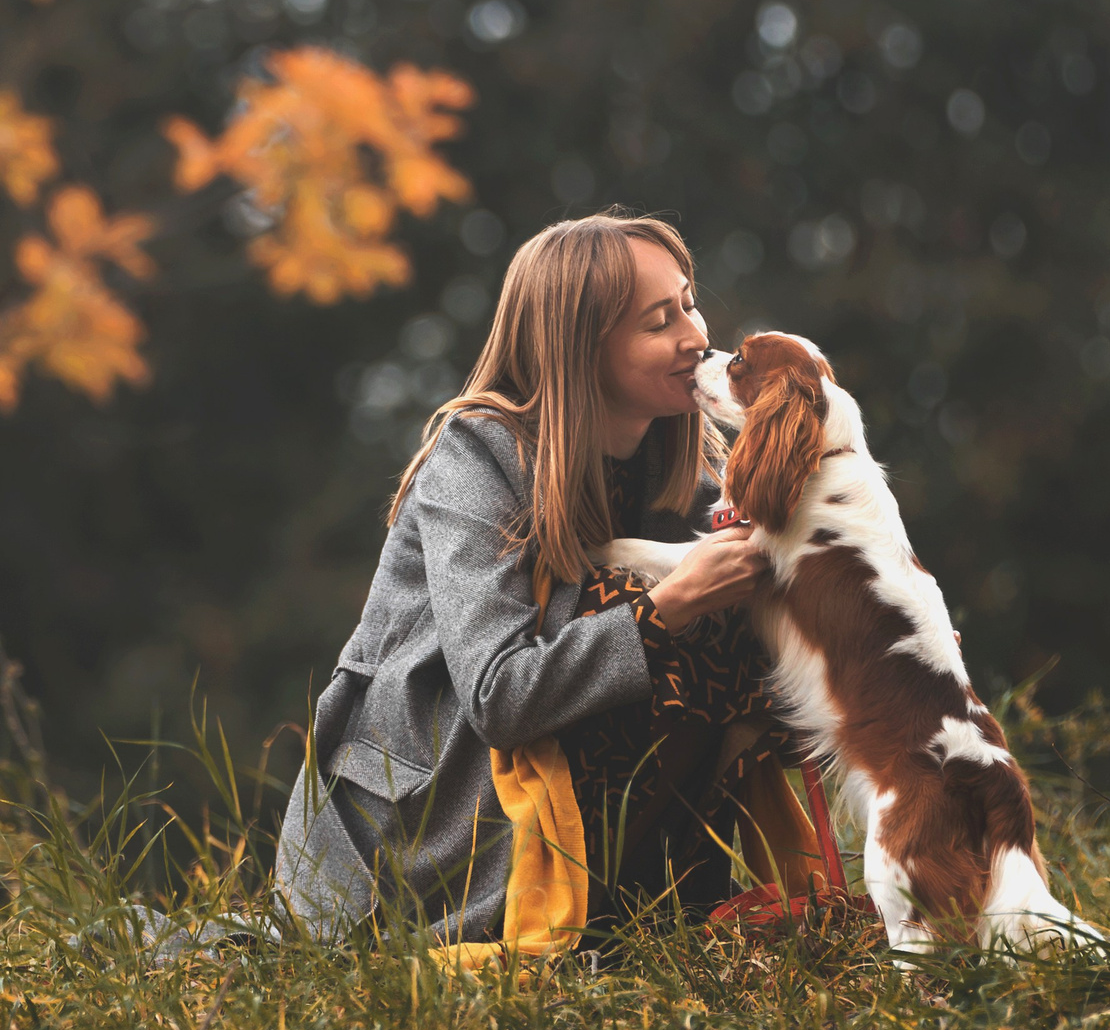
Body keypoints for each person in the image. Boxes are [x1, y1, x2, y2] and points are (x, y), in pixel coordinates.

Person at [273, 210, 828, 954]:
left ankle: (645, 902)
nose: (696, 336)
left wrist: (853, 650)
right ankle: (570, 914)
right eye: (659, 321)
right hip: (424, 832)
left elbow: (762, 688)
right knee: (662, 611)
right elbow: (500, 697)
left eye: (690, 303)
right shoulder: (477, 459)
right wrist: (666, 607)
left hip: (555, 813)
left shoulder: (690, 479)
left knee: (745, 622)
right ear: (582, 350)